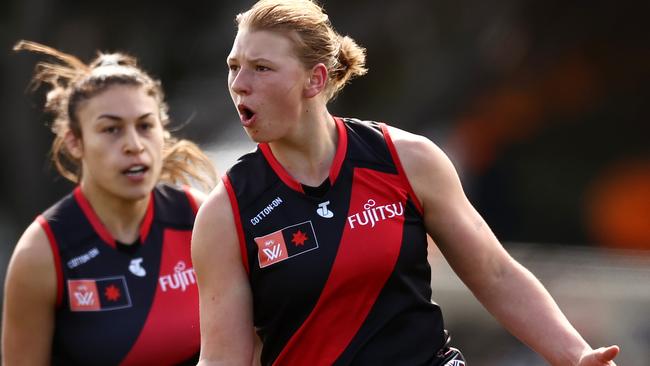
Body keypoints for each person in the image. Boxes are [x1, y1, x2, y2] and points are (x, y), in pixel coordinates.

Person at [191, 1, 620, 365]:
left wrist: (574, 355)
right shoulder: (226, 212)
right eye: (234, 67)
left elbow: (495, 273)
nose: (239, 85)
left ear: (315, 79)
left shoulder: (405, 159)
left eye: (261, 68)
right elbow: (224, 358)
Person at [2, 40, 217, 365]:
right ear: (75, 142)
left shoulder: (200, 219)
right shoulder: (42, 252)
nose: (134, 145)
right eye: (111, 129)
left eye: (145, 126)